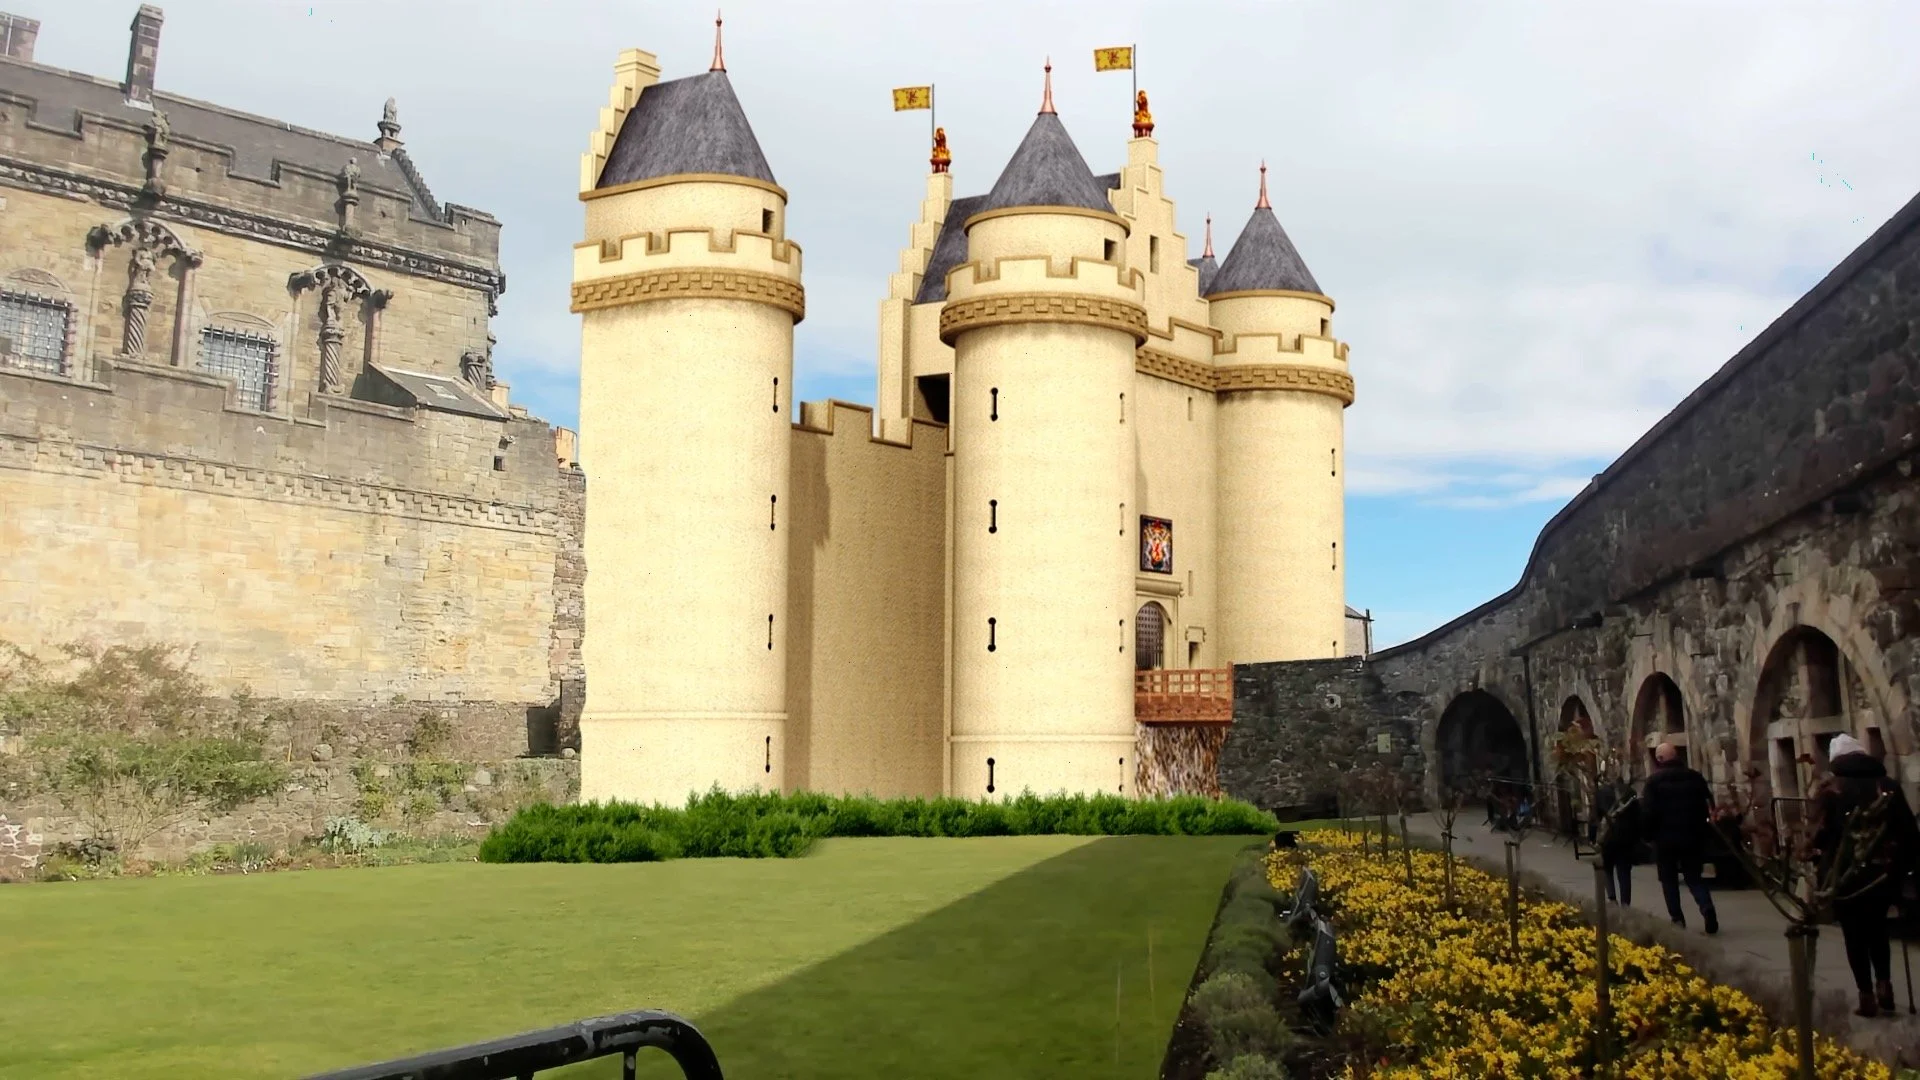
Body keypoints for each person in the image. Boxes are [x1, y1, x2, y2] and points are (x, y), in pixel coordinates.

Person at [1812, 733, 1920, 1018]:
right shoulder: (1888, 787)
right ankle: (1885, 984)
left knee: (1854, 934)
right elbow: (1909, 832)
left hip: (1845, 875)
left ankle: (1866, 994)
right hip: (1883, 874)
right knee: (1877, 929)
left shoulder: (1832, 790)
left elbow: (1822, 835)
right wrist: (1904, 868)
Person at [1640, 742, 1719, 933]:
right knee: (1694, 876)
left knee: (1668, 880)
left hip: (1665, 839)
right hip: (1692, 836)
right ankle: (1706, 907)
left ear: (1659, 759)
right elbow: (1708, 804)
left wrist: (1647, 836)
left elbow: (1648, 812)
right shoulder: (1695, 777)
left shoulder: (1654, 782)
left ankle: (1677, 918)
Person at [1597, 779, 1641, 906]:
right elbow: (1638, 817)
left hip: (1607, 838)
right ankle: (1625, 903)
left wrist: (1594, 836)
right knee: (1624, 872)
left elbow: (1595, 816)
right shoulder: (1631, 793)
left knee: (1607, 868)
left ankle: (1611, 898)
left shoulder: (1602, 792)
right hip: (1625, 838)